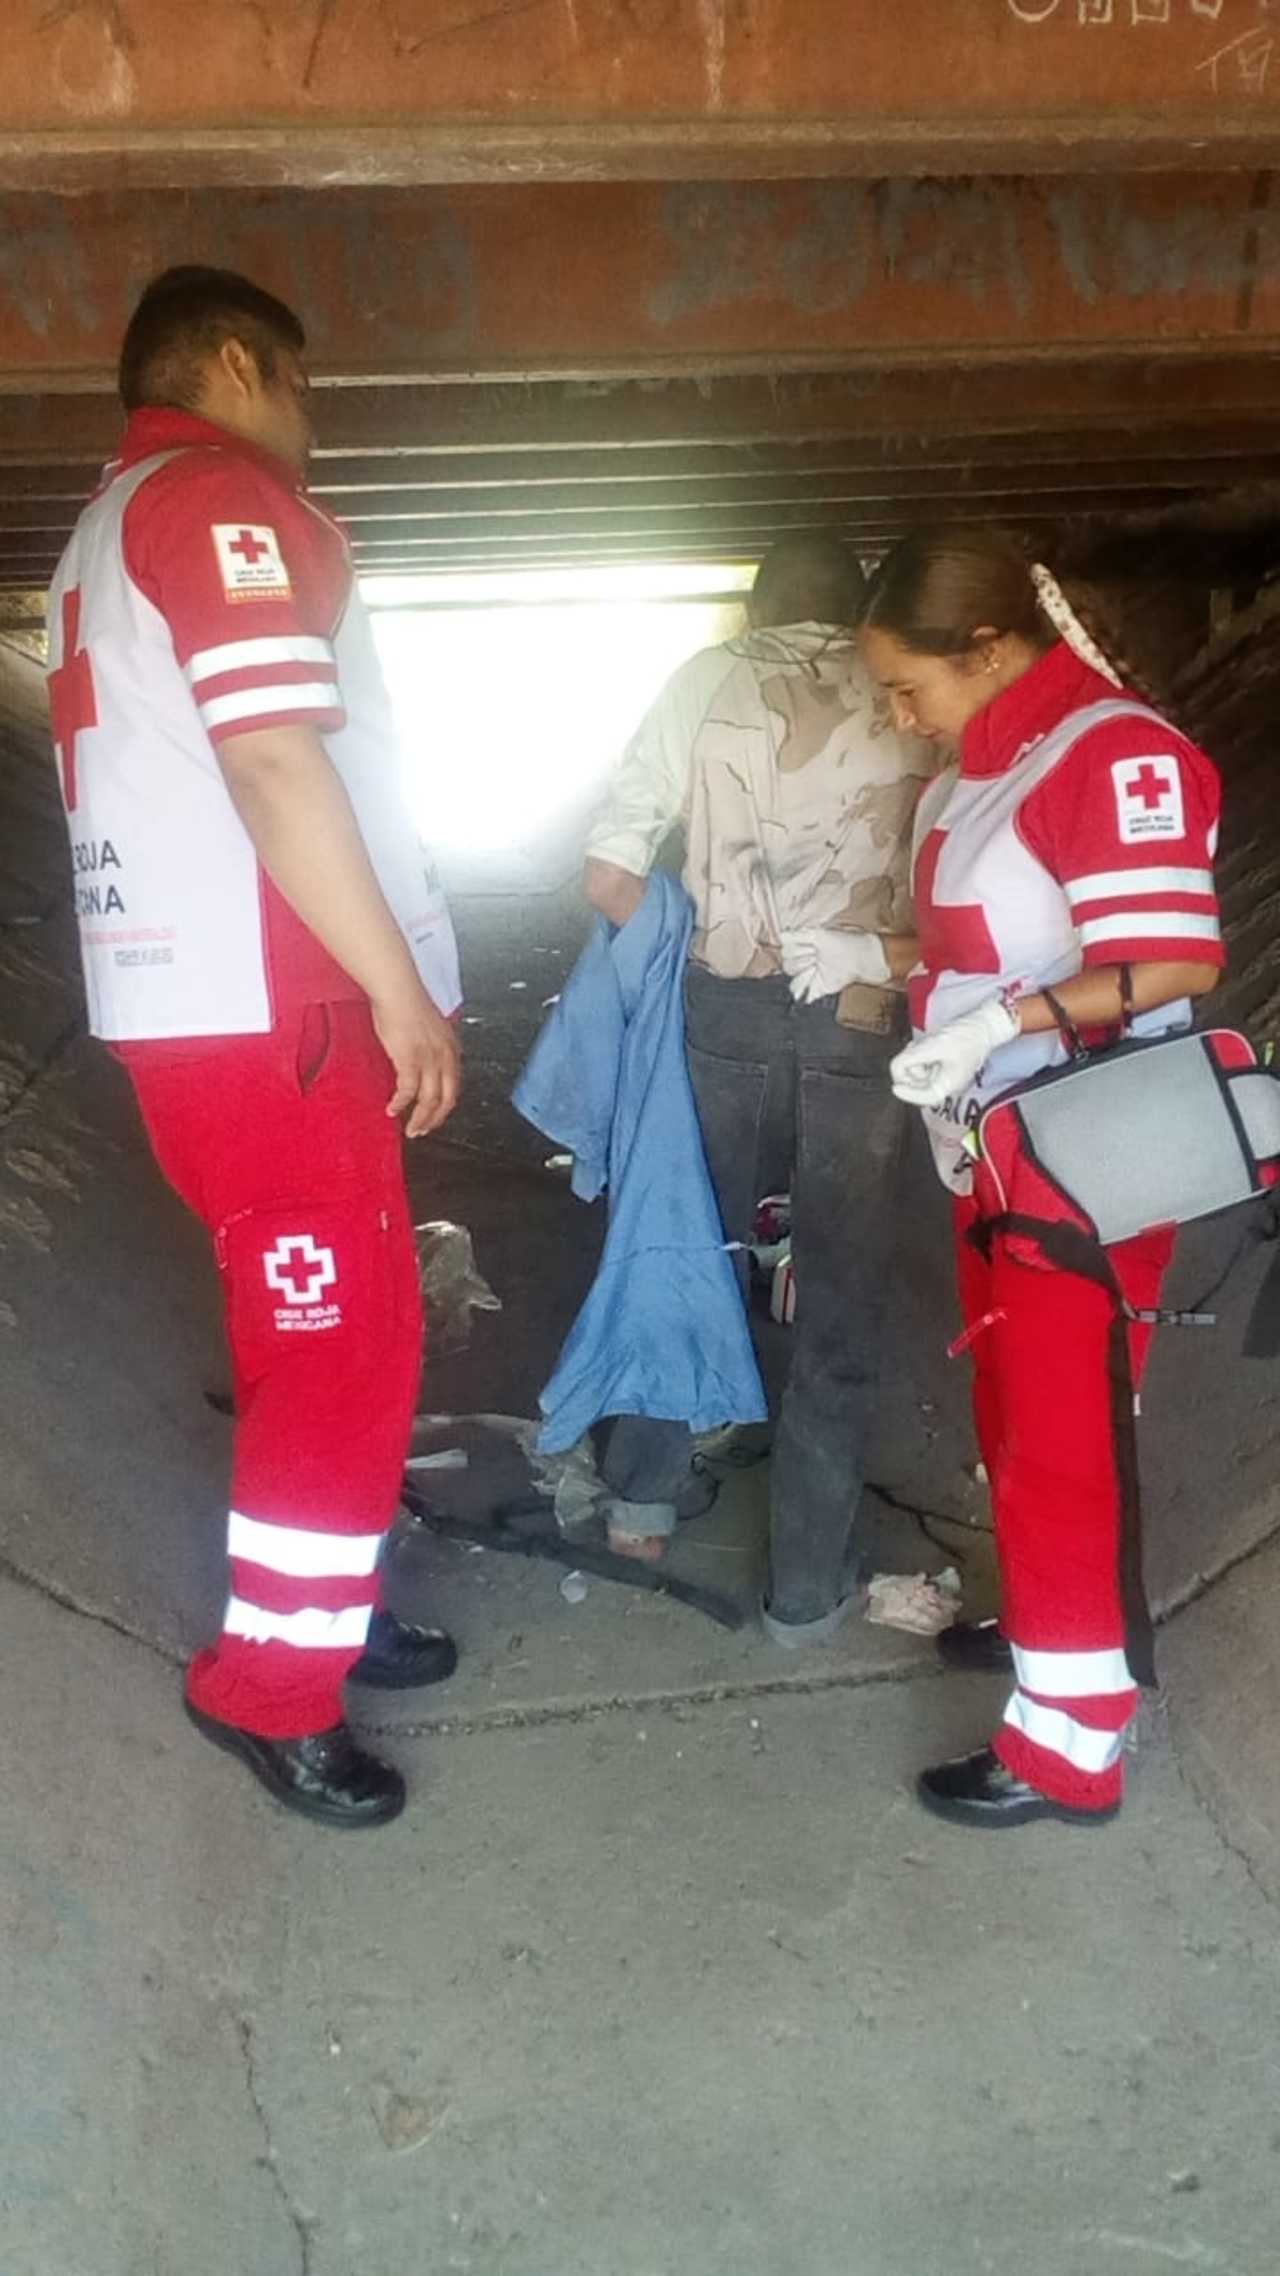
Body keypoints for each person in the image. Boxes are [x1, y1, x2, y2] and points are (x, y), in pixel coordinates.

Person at [46, 267, 463, 1829]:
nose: (311, 422)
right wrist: (399, 992)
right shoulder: (218, 500)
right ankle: (274, 1689)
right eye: (302, 386)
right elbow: (277, 764)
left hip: (199, 1011)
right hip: (271, 1014)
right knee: (337, 1352)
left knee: (342, 1333)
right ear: (237, 363)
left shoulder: (110, 523)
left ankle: (328, 1610)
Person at [860, 528, 1224, 1829]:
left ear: (985, 648)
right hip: (998, 1151)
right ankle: (1046, 1626)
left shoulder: (1111, 755)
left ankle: (1070, 1744)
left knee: (1064, 1436)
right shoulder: (978, 771)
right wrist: (876, 962)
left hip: (1088, 1153)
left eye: (908, 688)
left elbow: (1173, 959)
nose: (898, 717)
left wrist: (997, 1026)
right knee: (1015, 1414)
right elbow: (982, 940)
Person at [584, 534, 932, 1641]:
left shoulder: (703, 681)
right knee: (840, 1296)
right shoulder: (904, 684)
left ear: (752, 611)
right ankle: (806, 1587)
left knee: (683, 1247)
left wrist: (686, 952)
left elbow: (610, 874)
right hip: (862, 1010)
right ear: (860, 612)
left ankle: (642, 1503)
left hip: (723, 1009)